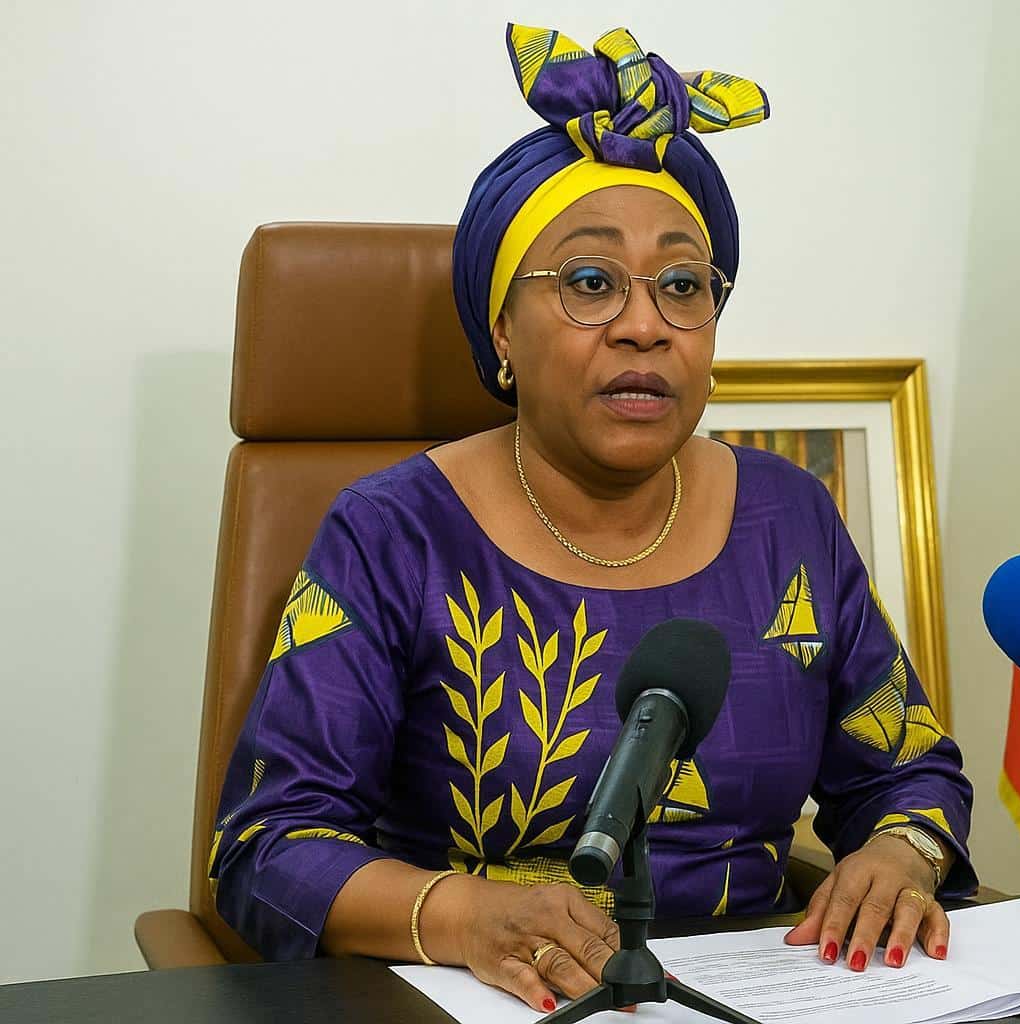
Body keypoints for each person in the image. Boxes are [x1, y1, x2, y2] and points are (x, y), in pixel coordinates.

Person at [208, 24, 977, 1014]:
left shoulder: (790, 517)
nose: (644, 324)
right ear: (501, 329)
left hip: (752, 998)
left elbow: (910, 768)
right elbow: (269, 845)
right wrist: (462, 915)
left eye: (683, 285)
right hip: (482, 1001)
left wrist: (900, 854)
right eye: (588, 283)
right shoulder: (392, 532)